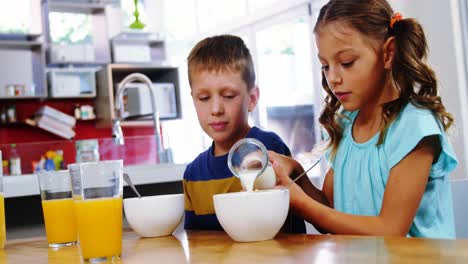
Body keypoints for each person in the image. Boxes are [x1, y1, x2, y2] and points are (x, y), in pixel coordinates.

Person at [269, 0, 458, 238]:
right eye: (325, 66)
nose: (333, 78)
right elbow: (331, 215)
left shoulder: (414, 126)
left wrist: (302, 204)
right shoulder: (346, 125)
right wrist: (296, 173)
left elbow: (390, 231)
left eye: (346, 63)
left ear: (388, 53)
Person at [183, 34, 306, 233]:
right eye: (204, 98)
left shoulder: (268, 148)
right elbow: (195, 242)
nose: (215, 109)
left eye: (229, 96)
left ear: (252, 98)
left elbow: (292, 224)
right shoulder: (193, 175)